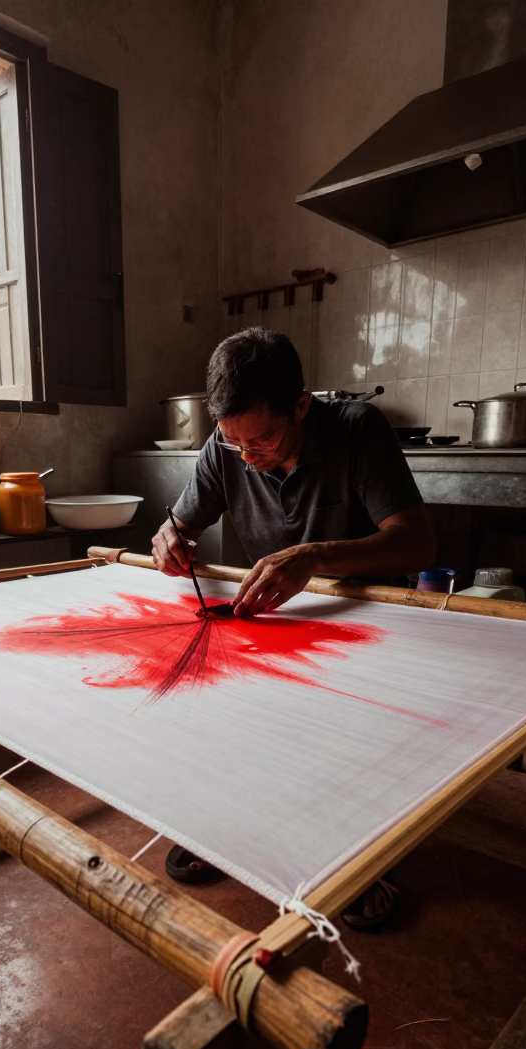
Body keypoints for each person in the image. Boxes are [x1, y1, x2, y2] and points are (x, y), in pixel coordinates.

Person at [151, 327, 436, 930]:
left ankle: (361, 856)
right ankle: (229, 824)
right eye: (234, 443)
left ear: (302, 407)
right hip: (279, 616)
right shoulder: (225, 450)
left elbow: (416, 542)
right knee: (235, 703)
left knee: (351, 732)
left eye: (264, 439)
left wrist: (313, 556)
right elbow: (174, 524)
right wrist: (168, 537)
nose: (248, 456)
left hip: (369, 619)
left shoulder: (358, 429)